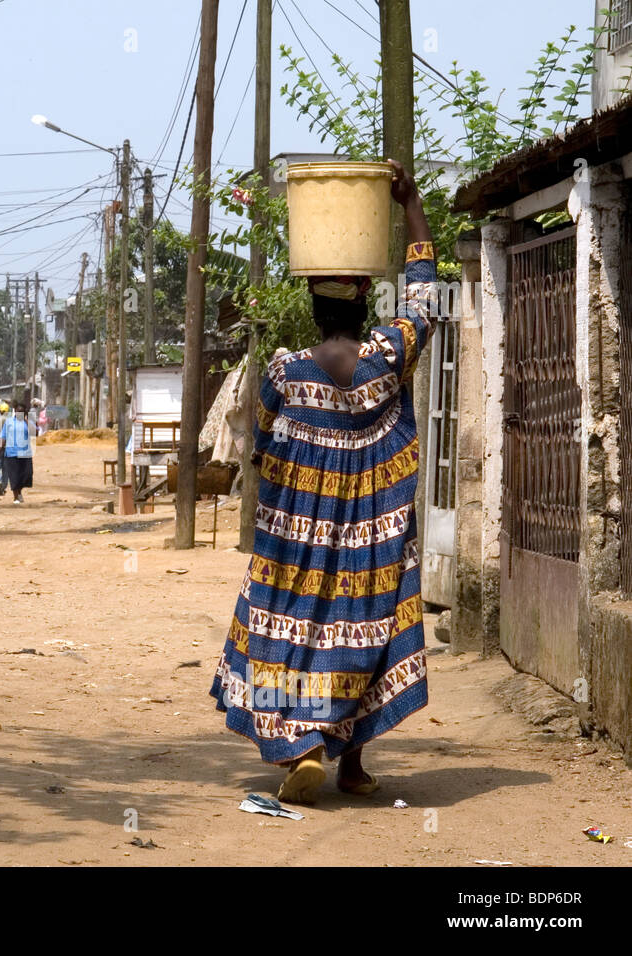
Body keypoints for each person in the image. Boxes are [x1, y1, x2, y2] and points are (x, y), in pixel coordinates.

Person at [209, 159, 434, 805]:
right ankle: (352, 763)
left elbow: (260, 450)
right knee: (364, 627)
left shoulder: (282, 373)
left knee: (285, 629)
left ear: (310, 303)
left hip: (292, 539)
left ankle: (299, 747)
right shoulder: (388, 358)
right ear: (365, 300)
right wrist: (409, 201)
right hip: (370, 535)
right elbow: (425, 291)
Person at [0, 399, 34, 504]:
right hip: (11, 453)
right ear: (15, 411)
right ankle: (15, 497)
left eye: (22, 412)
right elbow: (4, 436)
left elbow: (35, 432)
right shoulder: (9, 422)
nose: (19, 413)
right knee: (14, 475)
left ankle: (19, 492)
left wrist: (26, 420)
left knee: (26, 474)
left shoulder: (27, 423)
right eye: (18, 411)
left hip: (25, 453)